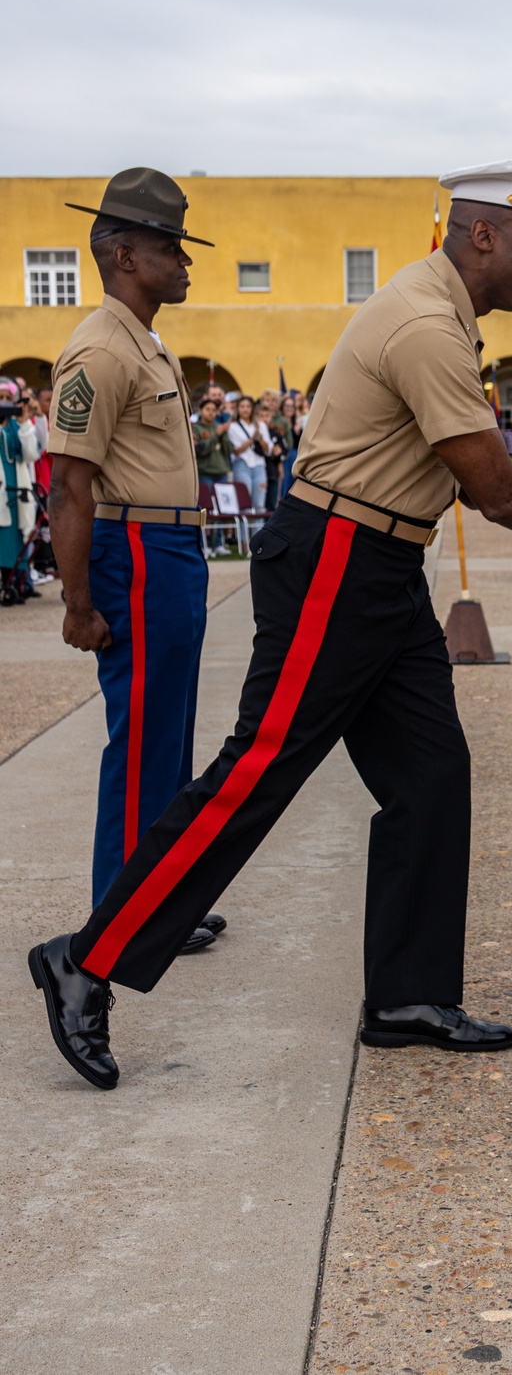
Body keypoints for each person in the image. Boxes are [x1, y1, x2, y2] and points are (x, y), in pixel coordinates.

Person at [28, 158, 512, 1091]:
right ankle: (88, 960)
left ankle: (407, 995)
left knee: (433, 773)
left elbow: (477, 468)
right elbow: (492, 491)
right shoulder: (424, 322)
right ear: (483, 233)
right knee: (258, 771)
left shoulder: (443, 315)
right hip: (336, 559)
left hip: (380, 564)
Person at [44, 168, 224, 952]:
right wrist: (77, 603)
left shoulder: (143, 341)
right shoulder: (97, 349)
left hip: (171, 546)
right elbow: (70, 487)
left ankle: (159, 892)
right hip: (138, 554)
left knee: (170, 731)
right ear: (123, 256)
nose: (185, 261)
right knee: (143, 733)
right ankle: (120, 913)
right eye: (169, 248)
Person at [0, 383, 42, 604]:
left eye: (8, 397)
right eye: (0, 397)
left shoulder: (17, 427)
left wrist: (25, 422)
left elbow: (32, 453)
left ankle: (15, 584)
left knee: (16, 540)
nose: (4, 402)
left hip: (15, 493)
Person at [193, 395, 233, 555]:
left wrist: (223, 435)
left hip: (221, 472)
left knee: (219, 511)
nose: (210, 413)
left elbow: (229, 449)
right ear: (200, 411)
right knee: (206, 511)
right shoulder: (196, 428)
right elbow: (201, 451)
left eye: (213, 410)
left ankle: (218, 544)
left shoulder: (219, 427)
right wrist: (216, 434)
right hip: (205, 473)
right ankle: (204, 545)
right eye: (207, 409)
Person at [229, 394, 272, 533]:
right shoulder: (233, 427)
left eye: (248, 406)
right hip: (241, 464)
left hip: (259, 465)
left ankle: (257, 540)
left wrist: (258, 438)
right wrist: (251, 439)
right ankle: (243, 540)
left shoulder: (260, 425)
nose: (245, 409)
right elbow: (235, 451)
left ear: (252, 408)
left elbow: (268, 449)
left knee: (259, 505)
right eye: (242, 406)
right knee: (244, 504)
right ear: (238, 408)